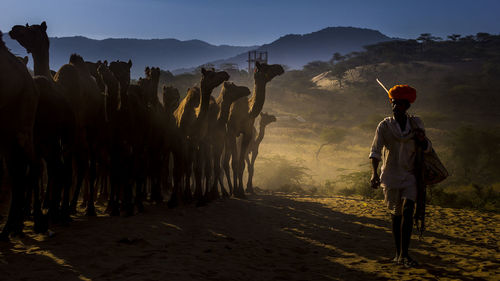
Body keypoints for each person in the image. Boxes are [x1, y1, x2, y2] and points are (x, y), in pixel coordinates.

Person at [369, 84, 431, 267]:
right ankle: (398, 254)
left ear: (407, 106)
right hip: (390, 175)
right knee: (395, 215)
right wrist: (374, 174)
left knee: (408, 210)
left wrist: (421, 139)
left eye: (400, 104)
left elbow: (427, 148)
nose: (396, 106)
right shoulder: (384, 125)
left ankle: (405, 253)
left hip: (411, 175)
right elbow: (375, 151)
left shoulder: (416, 123)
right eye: (394, 103)